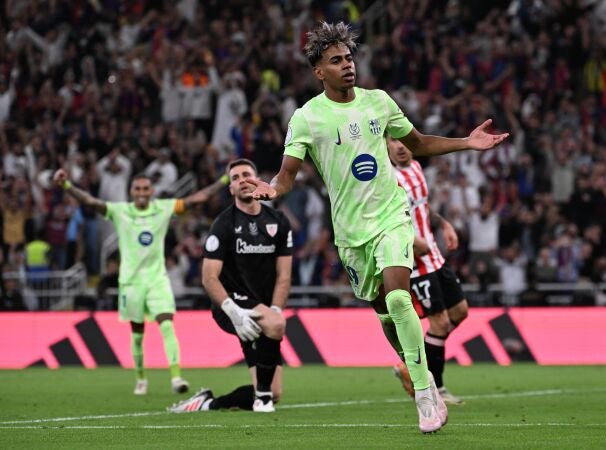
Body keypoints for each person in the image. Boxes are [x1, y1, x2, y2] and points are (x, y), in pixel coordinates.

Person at [246, 21, 508, 433]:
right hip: (351, 235)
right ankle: (411, 368)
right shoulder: (307, 118)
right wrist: (272, 190)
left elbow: (417, 142)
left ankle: (426, 395)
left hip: (391, 217)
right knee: (385, 313)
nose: (347, 65)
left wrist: (466, 142)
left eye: (349, 57)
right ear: (319, 71)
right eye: (336, 60)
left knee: (401, 301)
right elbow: (287, 176)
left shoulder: (379, 102)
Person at [52, 166, 231, 395]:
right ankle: (140, 378)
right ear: (131, 191)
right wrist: (67, 186)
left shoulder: (163, 208)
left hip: (157, 279)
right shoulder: (120, 211)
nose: (142, 192)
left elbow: (198, 198)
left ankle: (176, 377)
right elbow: (90, 202)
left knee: (167, 325)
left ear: (152, 190)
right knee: (137, 335)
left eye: (146, 188)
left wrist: (225, 178)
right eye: (137, 188)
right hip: (131, 283)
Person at [168, 159, 292, 413]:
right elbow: (209, 278)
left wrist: (276, 310)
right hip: (230, 304)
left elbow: (284, 276)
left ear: (259, 180)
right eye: (235, 178)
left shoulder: (278, 221)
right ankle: (263, 401)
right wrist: (233, 311)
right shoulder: (223, 225)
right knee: (275, 326)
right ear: (231, 189)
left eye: (247, 174)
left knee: (276, 390)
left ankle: (209, 403)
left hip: (263, 309)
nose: (242, 180)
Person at [388, 137, 468, 406]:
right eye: (392, 141)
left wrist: (444, 224)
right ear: (386, 146)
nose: (399, 146)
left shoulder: (417, 170)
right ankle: (437, 388)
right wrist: (410, 240)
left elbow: (422, 206)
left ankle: (411, 366)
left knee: (460, 312)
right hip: (414, 261)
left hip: (434, 255)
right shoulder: (389, 180)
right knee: (440, 323)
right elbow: (385, 220)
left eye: (403, 140)